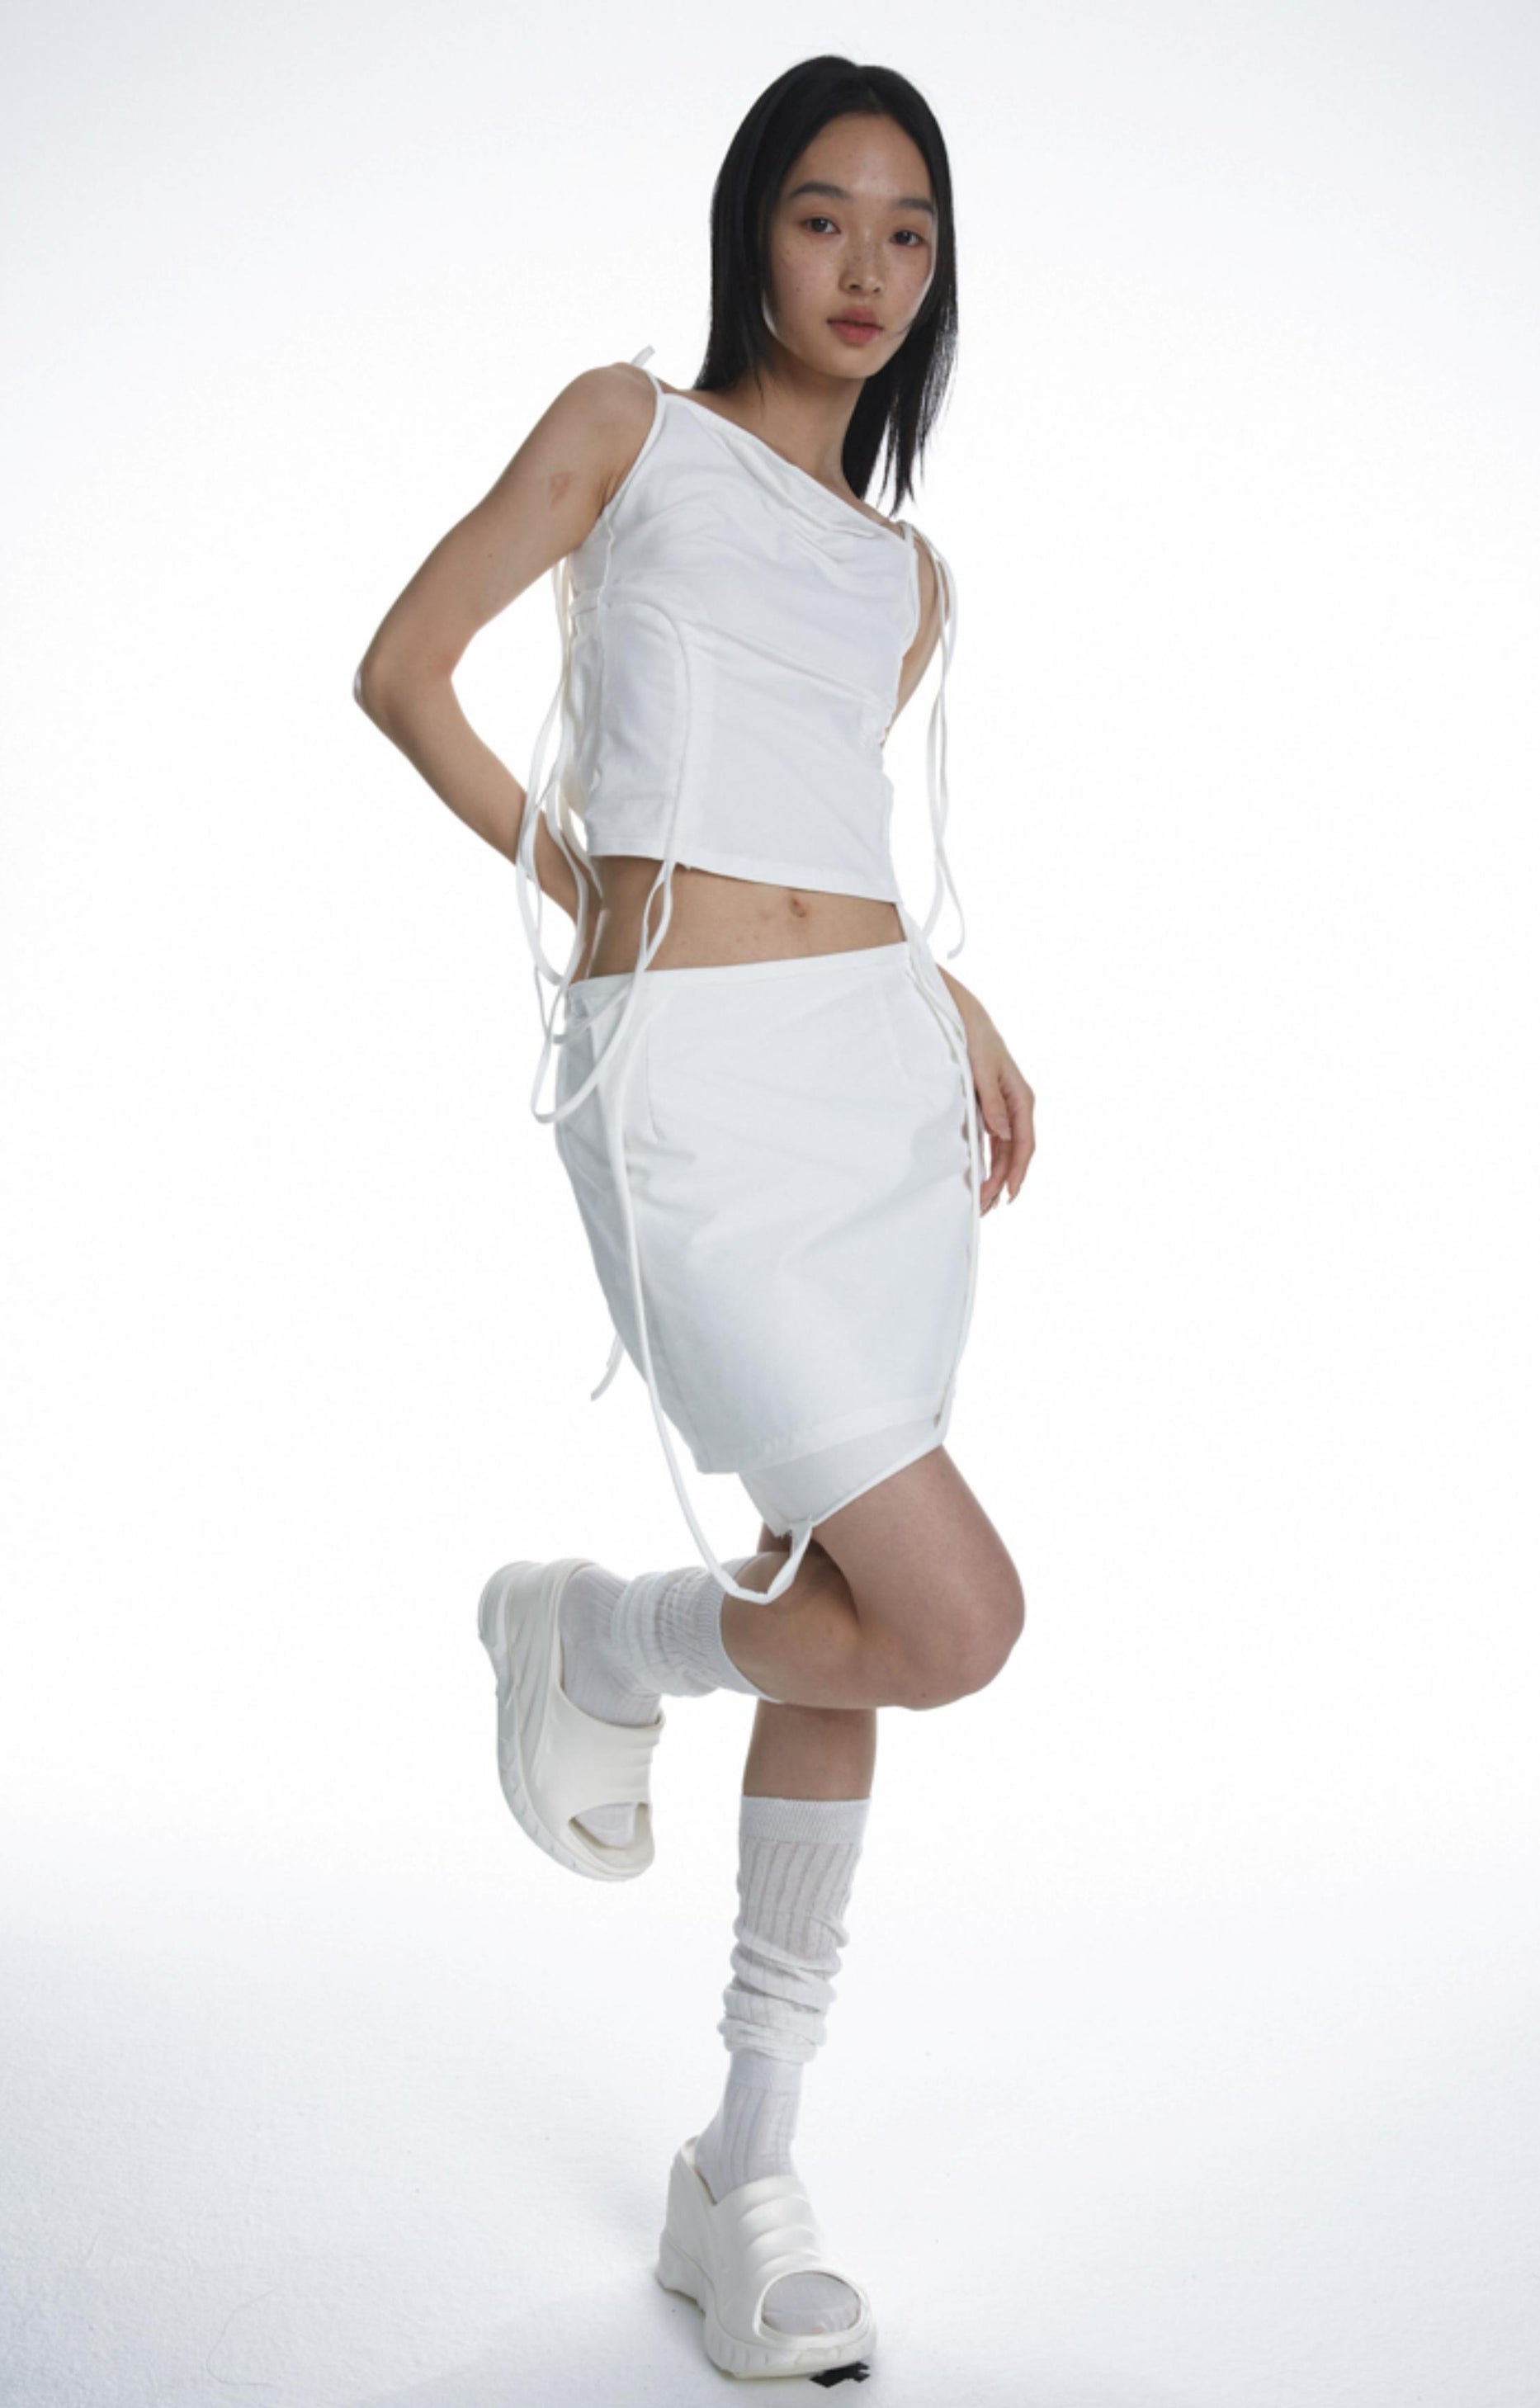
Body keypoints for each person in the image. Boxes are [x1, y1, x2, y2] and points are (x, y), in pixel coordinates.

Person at [355, 54, 1036, 2383]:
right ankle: (611, 1639)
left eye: (909, 234)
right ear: (754, 227)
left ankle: (744, 2168)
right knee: (946, 1618)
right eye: (825, 217)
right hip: (689, 1095)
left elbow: (819, 831)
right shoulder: (623, 430)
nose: (866, 268)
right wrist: (596, 897)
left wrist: (947, 995)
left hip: (872, 1100)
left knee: (853, 1613)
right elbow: (402, 674)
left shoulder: (908, 577)